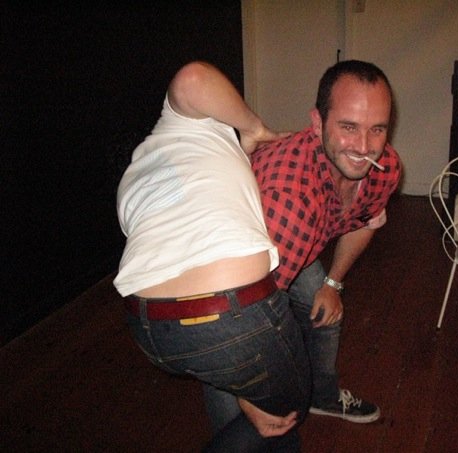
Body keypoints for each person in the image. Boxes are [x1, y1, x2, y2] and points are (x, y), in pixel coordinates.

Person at [113, 61, 310, 452]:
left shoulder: (136, 177)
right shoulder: (185, 122)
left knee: (260, 407)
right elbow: (193, 79)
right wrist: (254, 128)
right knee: (290, 409)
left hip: (147, 327)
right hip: (231, 314)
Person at [205, 60, 402, 426]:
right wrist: (250, 396)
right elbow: (240, 317)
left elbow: (365, 219)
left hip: (290, 244)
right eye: (348, 127)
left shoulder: (384, 167)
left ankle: (322, 397)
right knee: (237, 392)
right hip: (220, 272)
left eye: (377, 129)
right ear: (317, 123)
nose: (364, 147)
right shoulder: (290, 201)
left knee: (325, 310)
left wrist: (332, 283)